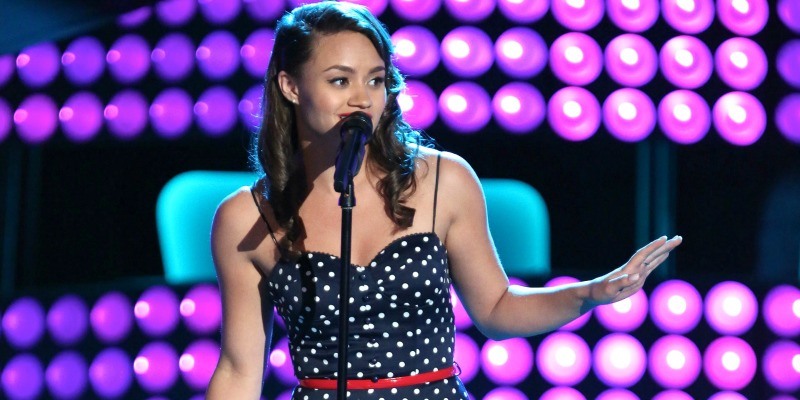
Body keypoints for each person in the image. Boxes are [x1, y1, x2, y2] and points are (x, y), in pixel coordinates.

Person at [205, 2, 683, 399]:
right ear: (290, 86)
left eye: (376, 80)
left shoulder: (442, 181)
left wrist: (589, 293)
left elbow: (496, 309)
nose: (362, 99)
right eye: (339, 81)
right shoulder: (246, 218)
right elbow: (239, 369)